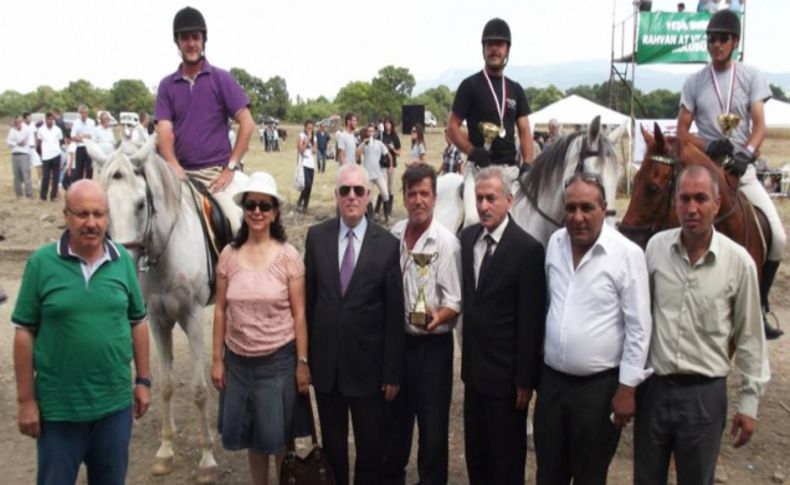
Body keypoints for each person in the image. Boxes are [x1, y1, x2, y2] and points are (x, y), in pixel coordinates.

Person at [634, 165, 770, 485]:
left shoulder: (739, 263)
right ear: (675, 203)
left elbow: (750, 336)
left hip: (704, 397)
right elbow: (637, 320)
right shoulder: (655, 250)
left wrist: (749, 403)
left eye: (701, 199)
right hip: (654, 391)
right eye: (684, 199)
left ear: (717, 204)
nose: (692, 208)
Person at [12, 179, 151, 484]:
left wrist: (143, 379)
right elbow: (24, 332)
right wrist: (26, 400)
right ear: (66, 216)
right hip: (59, 410)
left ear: (107, 217)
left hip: (113, 406)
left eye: (99, 214)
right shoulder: (41, 263)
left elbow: (138, 321)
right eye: (82, 214)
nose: (91, 223)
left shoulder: (122, 263)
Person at [534, 173, 652, 485]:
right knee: (548, 473)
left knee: (589, 475)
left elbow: (639, 328)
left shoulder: (626, 255)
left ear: (604, 208)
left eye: (587, 208)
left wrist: (627, 388)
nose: (578, 217)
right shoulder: (555, 244)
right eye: (570, 208)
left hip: (598, 392)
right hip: (552, 387)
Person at [676, 9, 786, 339]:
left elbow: (760, 125)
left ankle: (761, 306)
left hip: (741, 171)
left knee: (778, 238)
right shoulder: (694, 81)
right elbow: (682, 130)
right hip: (706, 172)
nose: (715, 44)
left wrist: (746, 154)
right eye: (711, 38)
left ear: (735, 42)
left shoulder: (752, 76)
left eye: (722, 38)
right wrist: (706, 143)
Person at [303, 163, 404, 485]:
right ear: (336, 195)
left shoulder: (387, 245)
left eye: (358, 190)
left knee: (370, 450)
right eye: (344, 190)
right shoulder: (316, 238)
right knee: (332, 451)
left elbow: (393, 312)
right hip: (328, 369)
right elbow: (308, 303)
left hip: (369, 372)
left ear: (368, 195)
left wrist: (392, 372)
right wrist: (304, 361)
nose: (351, 196)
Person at [211, 171, 310, 485]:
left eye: (264, 206)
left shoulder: (288, 257)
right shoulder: (228, 255)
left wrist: (302, 363)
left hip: (277, 361)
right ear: (243, 209)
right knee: (254, 437)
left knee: (279, 437)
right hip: (238, 361)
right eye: (251, 205)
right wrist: (216, 359)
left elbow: (299, 315)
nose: (257, 211)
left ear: (274, 212)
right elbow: (221, 310)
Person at [459, 167, 546, 485]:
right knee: (477, 461)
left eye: (491, 199)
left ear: (509, 201)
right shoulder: (467, 240)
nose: (483, 206)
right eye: (479, 198)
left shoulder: (528, 251)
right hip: (474, 377)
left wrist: (525, 380)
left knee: (506, 465)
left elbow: (531, 321)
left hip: (508, 383)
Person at [383, 163, 462, 485]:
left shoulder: (446, 243)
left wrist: (439, 316)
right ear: (403, 197)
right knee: (395, 426)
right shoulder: (394, 235)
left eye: (424, 194)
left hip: (432, 349)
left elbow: (455, 301)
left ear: (434, 198)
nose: (418, 200)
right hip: (398, 347)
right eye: (412, 193)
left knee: (432, 432)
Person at [155, 6, 254, 233]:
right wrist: (172, 164)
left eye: (195, 37)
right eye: (185, 38)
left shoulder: (221, 79)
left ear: (203, 40)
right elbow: (163, 130)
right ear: (177, 42)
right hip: (178, 174)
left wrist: (230, 167)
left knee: (237, 222)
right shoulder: (167, 85)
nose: (191, 43)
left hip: (215, 175)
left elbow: (247, 123)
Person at [448, 18, 534, 227]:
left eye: (500, 44)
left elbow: (524, 132)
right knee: (472, 219)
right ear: (483, 49)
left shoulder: (516, 89)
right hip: (479, 170)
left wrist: (528, 164)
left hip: (510, 171)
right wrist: (471, 151)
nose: (495, 49)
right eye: (490, 44)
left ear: (507, 50)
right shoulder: (470, 86)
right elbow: (452, 127)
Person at [356, 123, 393, 222]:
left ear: (375, 132)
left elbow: (388, 154)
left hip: (378, 173)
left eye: (372, 131)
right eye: (369, 131)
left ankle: (387, 217)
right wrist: (364, 143)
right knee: (368, 198)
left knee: (385, 194)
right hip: (368, 175)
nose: (371, 133)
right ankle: (370, 219)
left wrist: (390, 166)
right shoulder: (365, 144)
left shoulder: (379, 143)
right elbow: (357, 153)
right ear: (366, 133)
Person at [376, 117, 401, 219]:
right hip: (382, 164)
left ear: (392, 124)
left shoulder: (394, 136)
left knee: (390, 189)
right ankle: (377, 210)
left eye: (389, 123)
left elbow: (399, 152)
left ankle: (388, 211)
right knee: (383, 188)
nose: (387, 125)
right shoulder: (381, 135)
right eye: (385, 123)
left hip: (392, 165)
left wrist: (393, 149)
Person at [36, 113, 64, 202]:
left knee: (56, 177)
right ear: (45, 120)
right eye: (48, 119)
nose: (50, 121)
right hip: (46, 156)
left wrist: (56, 149)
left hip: (56, 154)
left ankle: (53, 196)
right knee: (46, 176)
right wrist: (41, 153)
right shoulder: (41, 130)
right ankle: (43, 196)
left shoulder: (57, 130)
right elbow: (39, 143)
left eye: (52, 119)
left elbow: (60, 141)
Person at [7, 115, 33, 199]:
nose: (16, 124)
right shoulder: (12, 130)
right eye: (15, 123)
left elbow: (23, 140)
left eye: (18, 122)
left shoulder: (26, 129)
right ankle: (18, 194)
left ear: (21, 122)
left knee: (26, 175)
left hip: (24, 154)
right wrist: (16, 143)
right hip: (15, 154)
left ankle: (29, 194)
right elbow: (8, 142)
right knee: (16, 175)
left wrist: (15, 142)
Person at [70, 104, 96, 181]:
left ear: (87, 113)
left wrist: (80, 136)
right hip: (80, 147)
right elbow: (72, 136)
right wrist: (85, 137)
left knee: (89, 169)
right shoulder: (75, 123)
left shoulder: (91, 122)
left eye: (85, 113)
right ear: (80, 113)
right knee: (79, 170)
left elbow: (92, 136)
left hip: (89, 148)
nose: (84, 115)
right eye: (82, 113)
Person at [296, 120, 317, 213]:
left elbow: (315, 150)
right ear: (305, 127)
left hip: (311, 164)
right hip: (303, 163)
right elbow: (301, 149)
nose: (310, 130)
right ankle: (300, 201)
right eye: (308, 128)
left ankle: (305, 206)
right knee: (306, 184)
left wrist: (314, 147)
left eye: (311, 128)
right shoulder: (301, 136)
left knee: (310, 186)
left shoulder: (314, 137)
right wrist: (307, 139)